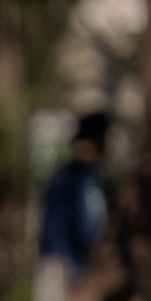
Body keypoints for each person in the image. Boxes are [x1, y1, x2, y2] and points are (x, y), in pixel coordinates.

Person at [39, 112, 108, 271]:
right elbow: (90, 225)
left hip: (57, 257)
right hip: (68, 262)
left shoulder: (67, 174)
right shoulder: (81, 177)